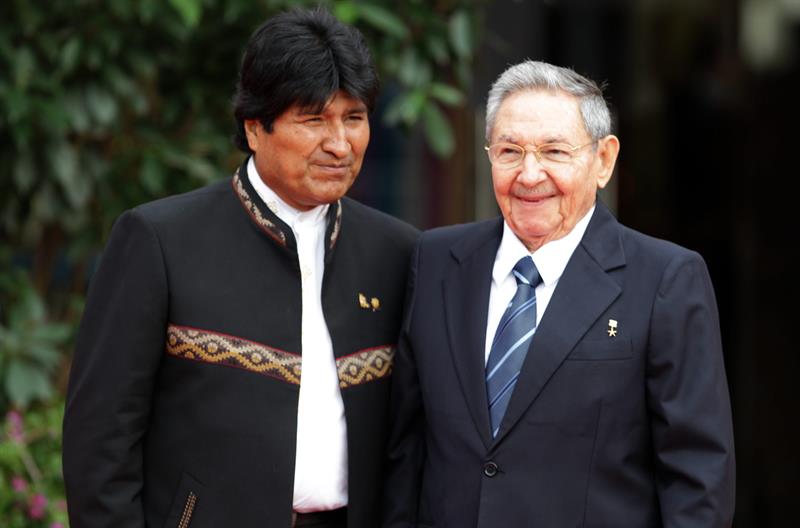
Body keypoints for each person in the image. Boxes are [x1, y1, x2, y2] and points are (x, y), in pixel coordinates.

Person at [63, 7, 418, 528]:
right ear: (255, 127)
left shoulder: (399, 251)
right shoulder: (160, 241)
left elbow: (412, 440)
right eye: (314, 119)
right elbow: (100, 444)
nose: (340, 144)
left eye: (354, 118)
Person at [383, 60, 735, 527]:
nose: (530, 175)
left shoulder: (665, 280)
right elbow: (406, 453)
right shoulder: (435, 262)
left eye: (554, 152)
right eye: (510, 151)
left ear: (603, 160)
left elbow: (698, 480)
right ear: (488, 154)